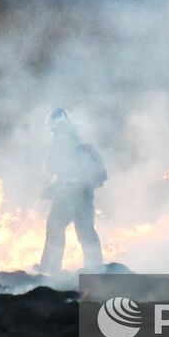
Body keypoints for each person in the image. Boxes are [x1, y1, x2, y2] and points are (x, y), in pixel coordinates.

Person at [37, 108, 106, 276]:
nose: (53, 132)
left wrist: (51, 190)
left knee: (55, 226)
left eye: (54, 129)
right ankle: (95, 266)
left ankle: (51, 266)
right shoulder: (80, 145)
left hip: (68, 195)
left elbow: (53, 167)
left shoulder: (63, 143)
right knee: (85, 229)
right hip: (83, 194)